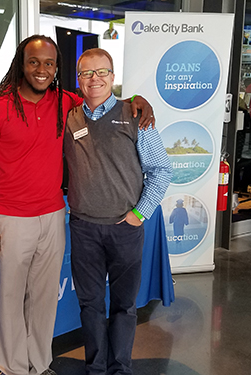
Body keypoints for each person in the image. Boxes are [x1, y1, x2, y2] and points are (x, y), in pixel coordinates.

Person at [0, 35, 154, 375]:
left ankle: (39, 365)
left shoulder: (64, 101)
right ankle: (12, 369)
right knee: (9, 299)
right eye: (34, 62)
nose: (41, 69)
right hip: (10, 217)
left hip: (55, 214)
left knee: (42, 300)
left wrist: (136, 101)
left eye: (50, 63)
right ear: (21, 64)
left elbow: (100, 98)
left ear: (57, 69)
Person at [63, 48, 172, 375]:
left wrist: (139, 214)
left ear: (112, 76)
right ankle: (96, 369)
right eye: (86, 73)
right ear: (78, 79)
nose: (94, 79)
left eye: (101, 72)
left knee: (124, 306)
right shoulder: (69, 117)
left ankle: (120, 368)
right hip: (83, 229)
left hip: (125, 229)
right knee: (90, 305)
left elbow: (161, 170)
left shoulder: (136, 115)